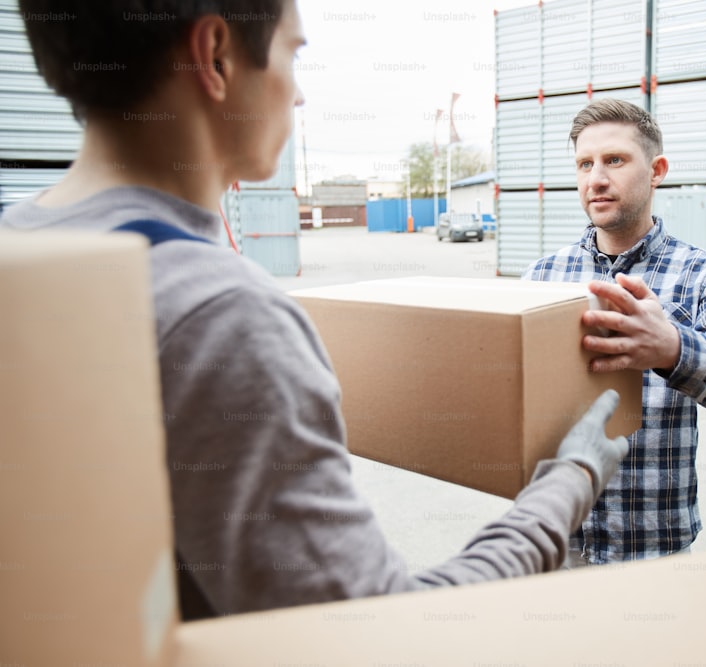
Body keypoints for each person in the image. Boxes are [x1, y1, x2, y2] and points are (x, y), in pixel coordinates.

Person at [1, 0, 629, 618]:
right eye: (293, 54)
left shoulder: (21, 248)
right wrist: (568, 481)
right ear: (215, 56)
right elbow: (371, 629)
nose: (298, 97)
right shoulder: (223, 317)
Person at [522, 98, 706, 565]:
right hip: (557, 535)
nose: (596, 178)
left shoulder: (705, 273)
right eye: (584, 164)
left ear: (657, 170)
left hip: (652, 542)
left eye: (614, 160)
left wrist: (672, 349)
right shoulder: (542, 273)